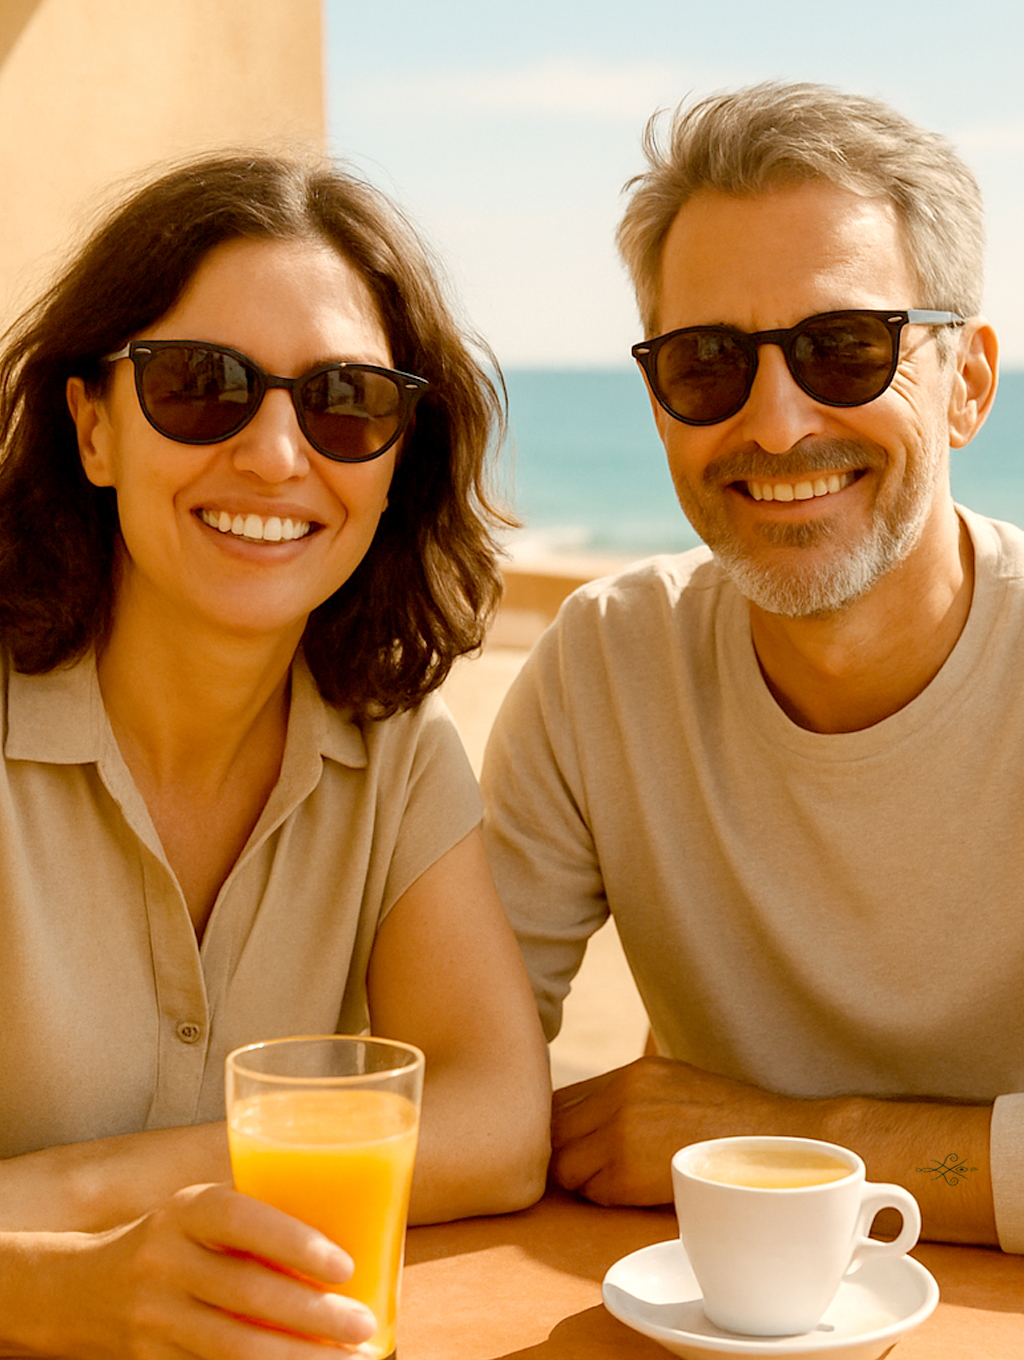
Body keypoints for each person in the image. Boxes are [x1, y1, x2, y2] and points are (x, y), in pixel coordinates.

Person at [0, 150, 550, 1356]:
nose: (276, 454)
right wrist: (50, 1291)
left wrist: (78, 1197)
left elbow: (499, 1120)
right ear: (93, 428)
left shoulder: (394, 748)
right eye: (203, 386)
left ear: (397, 456)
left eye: (345, 400)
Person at [481, 81, 1024, 1253]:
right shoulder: (603, 669)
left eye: (843, 348)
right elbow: (468, 1091)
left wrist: (782, 1141)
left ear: (967, 383)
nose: (775, 425)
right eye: (708, 362)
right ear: (658, 398)